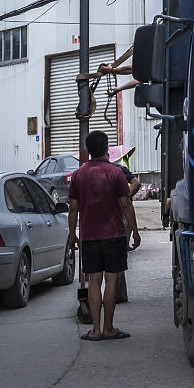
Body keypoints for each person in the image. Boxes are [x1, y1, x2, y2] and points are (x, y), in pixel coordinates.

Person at [67, 129, 141, 341]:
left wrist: (72, 234)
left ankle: (96, 330)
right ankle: (109, 328)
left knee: (94, 282)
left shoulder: (79, 175)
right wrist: (135, 231)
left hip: (89, 236)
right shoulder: (116, 173)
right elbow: (125, 204)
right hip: (114, 235)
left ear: (88, 151)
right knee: (110, 281)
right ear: (106, 149)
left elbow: (73, 209)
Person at [111, 148, 141, 304]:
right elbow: (137, 183)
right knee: (120, 253)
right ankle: (119, 293)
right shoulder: (120, 169)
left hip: (115, 214)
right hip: (123, 214)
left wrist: (125, 197)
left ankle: (117, 293)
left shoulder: (112, 171)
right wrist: (127, 197)